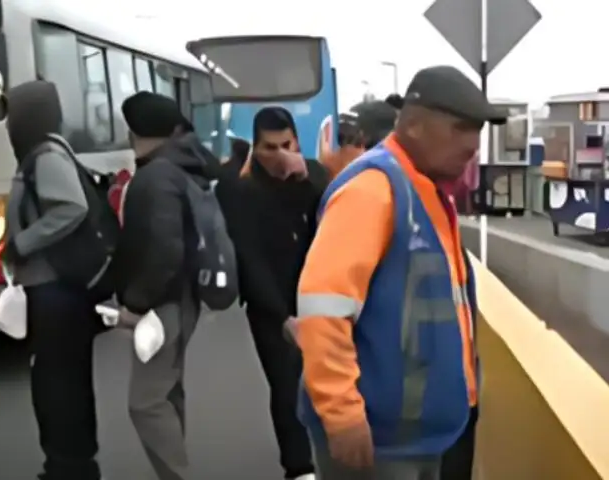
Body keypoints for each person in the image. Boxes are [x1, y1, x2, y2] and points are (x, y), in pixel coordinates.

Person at [295, 65, 508, 480]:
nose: (472, 144)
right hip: (378, 440)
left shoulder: (423, 190)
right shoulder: (372, 191)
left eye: (478, 129)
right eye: (460, 127)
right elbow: (324, 306)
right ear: (413, 125)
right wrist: (341, 413)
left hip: (417, 436)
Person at [112, 91, 221, 480]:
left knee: (145, 402)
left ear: (133, 132)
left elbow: (163, 248)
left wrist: (136, 304)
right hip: (182, 298)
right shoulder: (181, 166)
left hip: (162, 303)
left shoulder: (155, 177)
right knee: (167, 390)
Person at [216, 106, 328, 480]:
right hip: (270, 303)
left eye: (285, 145)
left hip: (318, 295)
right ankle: (298, 468)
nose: (277, 155)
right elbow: (248, 256)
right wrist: (282, 317)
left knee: (329, 380)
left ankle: (333, 457)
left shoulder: (313, 175)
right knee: (286, 384)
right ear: (254, 146)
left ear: (296, 140)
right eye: (268, 147)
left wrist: (303, 179)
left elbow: (329, 229)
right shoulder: (238, 185)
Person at [2, 80, 106, 480]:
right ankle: (72, 463)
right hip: (56, 290)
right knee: (63, 381)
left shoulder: (45, 156)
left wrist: (23, 243)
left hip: (55, 292)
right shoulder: (44, 153)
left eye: (13, 113)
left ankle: (68, 466)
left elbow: (71, 208)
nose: (8, 123)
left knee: (56, 385)